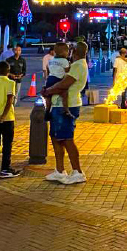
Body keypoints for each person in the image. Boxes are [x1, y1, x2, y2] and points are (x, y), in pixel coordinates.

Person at [42, 41, 89, 185]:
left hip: (68, 105)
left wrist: (48, 91)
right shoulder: (75, 64)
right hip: (57, 105)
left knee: (67, 139)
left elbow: (64, 84)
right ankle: (59, 170)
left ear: (74, 51)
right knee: (56, 138)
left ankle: (78, 171)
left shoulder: (78, 65)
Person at [43, 43, 72, 119]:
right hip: (58, 79)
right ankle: (66, 110)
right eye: (67, 51)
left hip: (50, 79)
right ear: (64, 52)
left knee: (49, 97)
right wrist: (70, 65)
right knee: (64, 94)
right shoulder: (64, 61)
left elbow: (48, 69)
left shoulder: (51, 60)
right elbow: (67, 70)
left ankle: (47, 111)